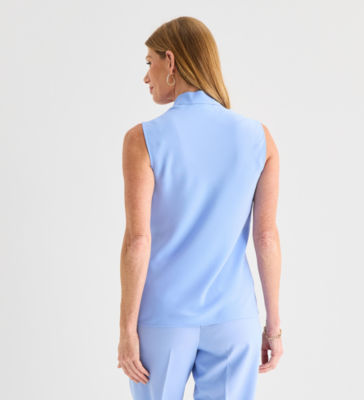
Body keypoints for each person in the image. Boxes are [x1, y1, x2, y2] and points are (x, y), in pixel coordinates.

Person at [117, 16, 283, 400]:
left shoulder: (142, 140)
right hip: (233, 318)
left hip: (162, 318)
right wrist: (273, 327)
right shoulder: (259, 138)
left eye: (149, 62)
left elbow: (138, 241)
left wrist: (126, 329)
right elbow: (266, 238)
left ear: (171, 61)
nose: (146, 76)